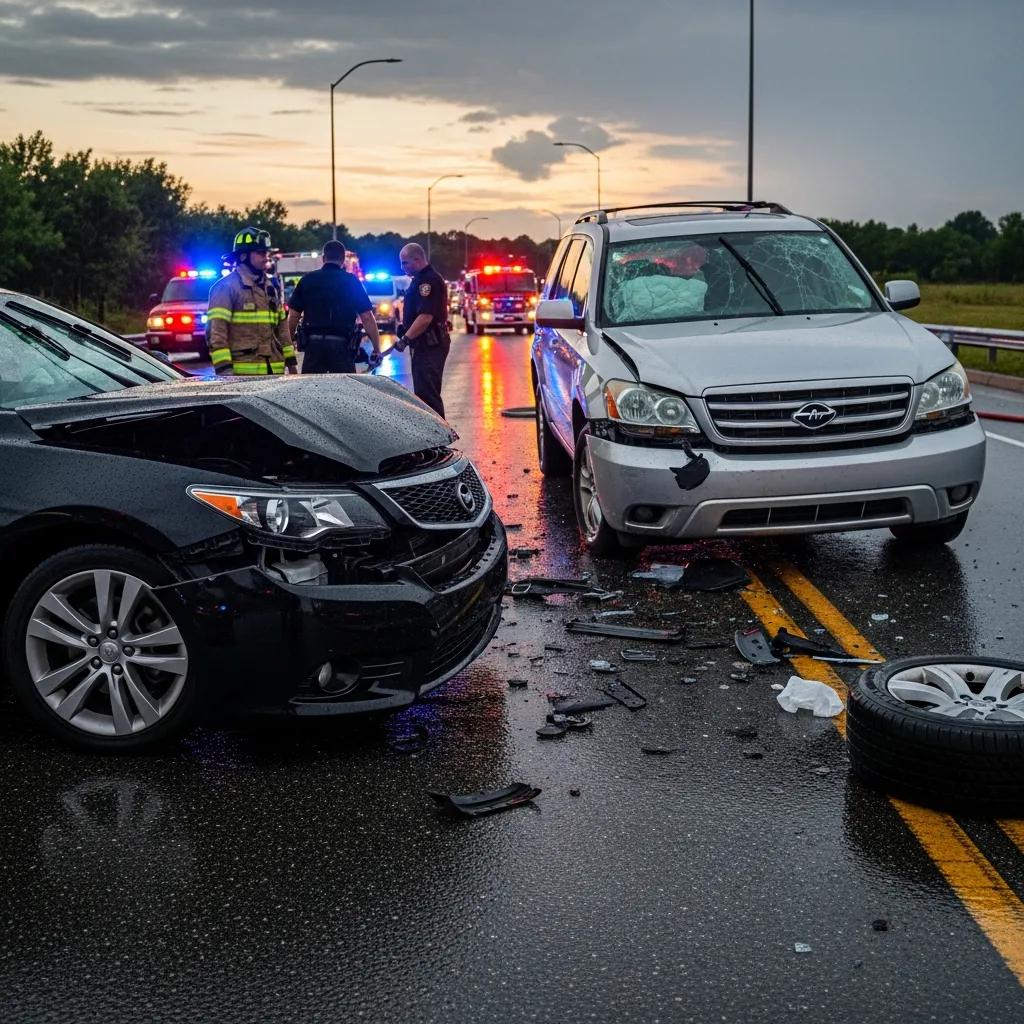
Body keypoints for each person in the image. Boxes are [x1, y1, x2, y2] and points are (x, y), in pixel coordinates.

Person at [206, 227, 297, 376]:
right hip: (242, 376)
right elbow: (217, 333)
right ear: (243, 256)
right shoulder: (226, 288)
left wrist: (291, 362)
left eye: (266, 253)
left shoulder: (270, 287)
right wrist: (225, 371)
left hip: (274, 372)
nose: (265, 258)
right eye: (260, 253)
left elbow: (282, 327)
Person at [285, 240, 382, 374]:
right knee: (343, 392)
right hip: (342, 349)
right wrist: (377, 349)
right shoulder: (351, 281)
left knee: (312, 391)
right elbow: (367, 318)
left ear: (323, 258)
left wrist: (287, 348)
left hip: (313, 348)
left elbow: (293, 317)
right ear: (343, 259)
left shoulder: (307, 280)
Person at [395, 242, 450, 417]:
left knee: (428, 397)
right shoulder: (418, 281)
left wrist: (405, 339)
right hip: (423, 345)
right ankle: (433, 439)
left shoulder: (429, 281)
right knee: (423, 394)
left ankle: (440, 439)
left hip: (430, 344)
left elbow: (426, 317)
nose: (402, 267)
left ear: (417, 260)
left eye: (405, 263)